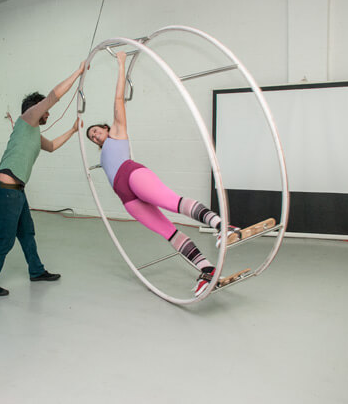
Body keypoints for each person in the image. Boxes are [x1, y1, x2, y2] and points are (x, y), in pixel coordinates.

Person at [85, 51, 238, 297]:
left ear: (105, 127)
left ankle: (221, 226)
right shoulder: (103, 153)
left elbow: (118, 100)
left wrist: (122, 63)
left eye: (95, 131)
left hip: (133, 175)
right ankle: (207, 269)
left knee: (172, 203)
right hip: (127, 199)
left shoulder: (117, 131)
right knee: (168, 232)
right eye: (91, 137)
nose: (94, 135)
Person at [0, 62, 86, 297]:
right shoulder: (26, 119)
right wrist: (78, 72)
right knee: (5, 239)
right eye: (45, 110)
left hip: (16, 191)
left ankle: (36, 271)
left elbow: (52, 146)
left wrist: (72, 130)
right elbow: (52, 97)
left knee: (27, 232)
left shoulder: (34, 133)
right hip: (6, 190)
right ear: (35, 109)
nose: (48, 113)